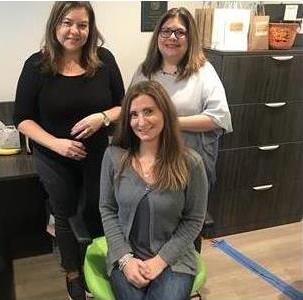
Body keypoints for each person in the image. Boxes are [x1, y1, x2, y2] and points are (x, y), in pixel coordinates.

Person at [13, 2, 124, 299]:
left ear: (91, 28)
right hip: (52, 155)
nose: (74, 30)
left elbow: (122, 105)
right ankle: (73, 271)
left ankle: (100, 264)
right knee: (64, 212)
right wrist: (57, 144)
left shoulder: (104, 61)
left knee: (99, 209)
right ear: (55, 26)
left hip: (97, 153)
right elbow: (22, 119)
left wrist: (102, 117)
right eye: (67, 23)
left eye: (82, 24)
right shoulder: (36, 65)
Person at [99, 80, 208, 300]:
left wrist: (160, 261)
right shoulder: (114, 157)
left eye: (149, 111)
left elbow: (194, 220)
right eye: (133, 114)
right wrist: (125, 259)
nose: (141, 122)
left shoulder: (191, 163)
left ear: (165, 113)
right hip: (125, 256)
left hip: (173, 259)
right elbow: (107, 209)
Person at [131, 7, 232, 187]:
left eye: (179, 32)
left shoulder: (203, 71)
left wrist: (169, 122)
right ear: (158, 36)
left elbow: (219, 118)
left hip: (189, 160)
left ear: (190, 37)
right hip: (149, 159)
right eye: (166, 31)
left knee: (188, 212)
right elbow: (129, 112)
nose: (172, 37)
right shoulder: (144, 71)